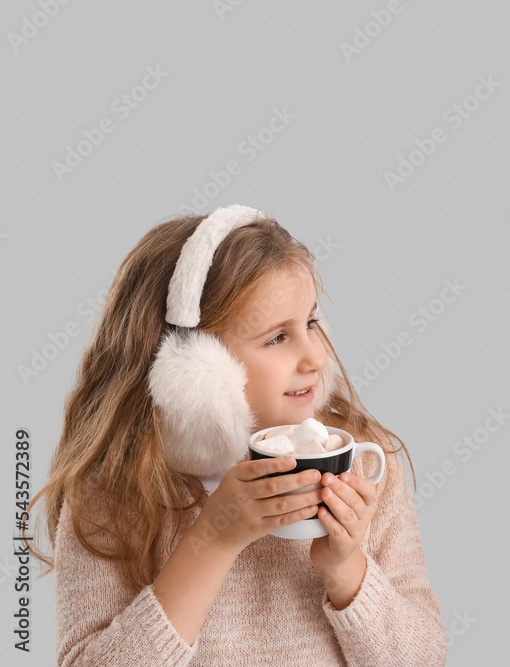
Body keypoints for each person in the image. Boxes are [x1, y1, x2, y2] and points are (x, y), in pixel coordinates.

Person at [30, 205, 448, 665]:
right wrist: (215, 537)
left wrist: (348, 569)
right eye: (276, 338)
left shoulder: (366, 465)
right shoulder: (114, 492)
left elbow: (425, 658)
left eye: (310, 323)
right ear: (193, 373)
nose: (314, 356)